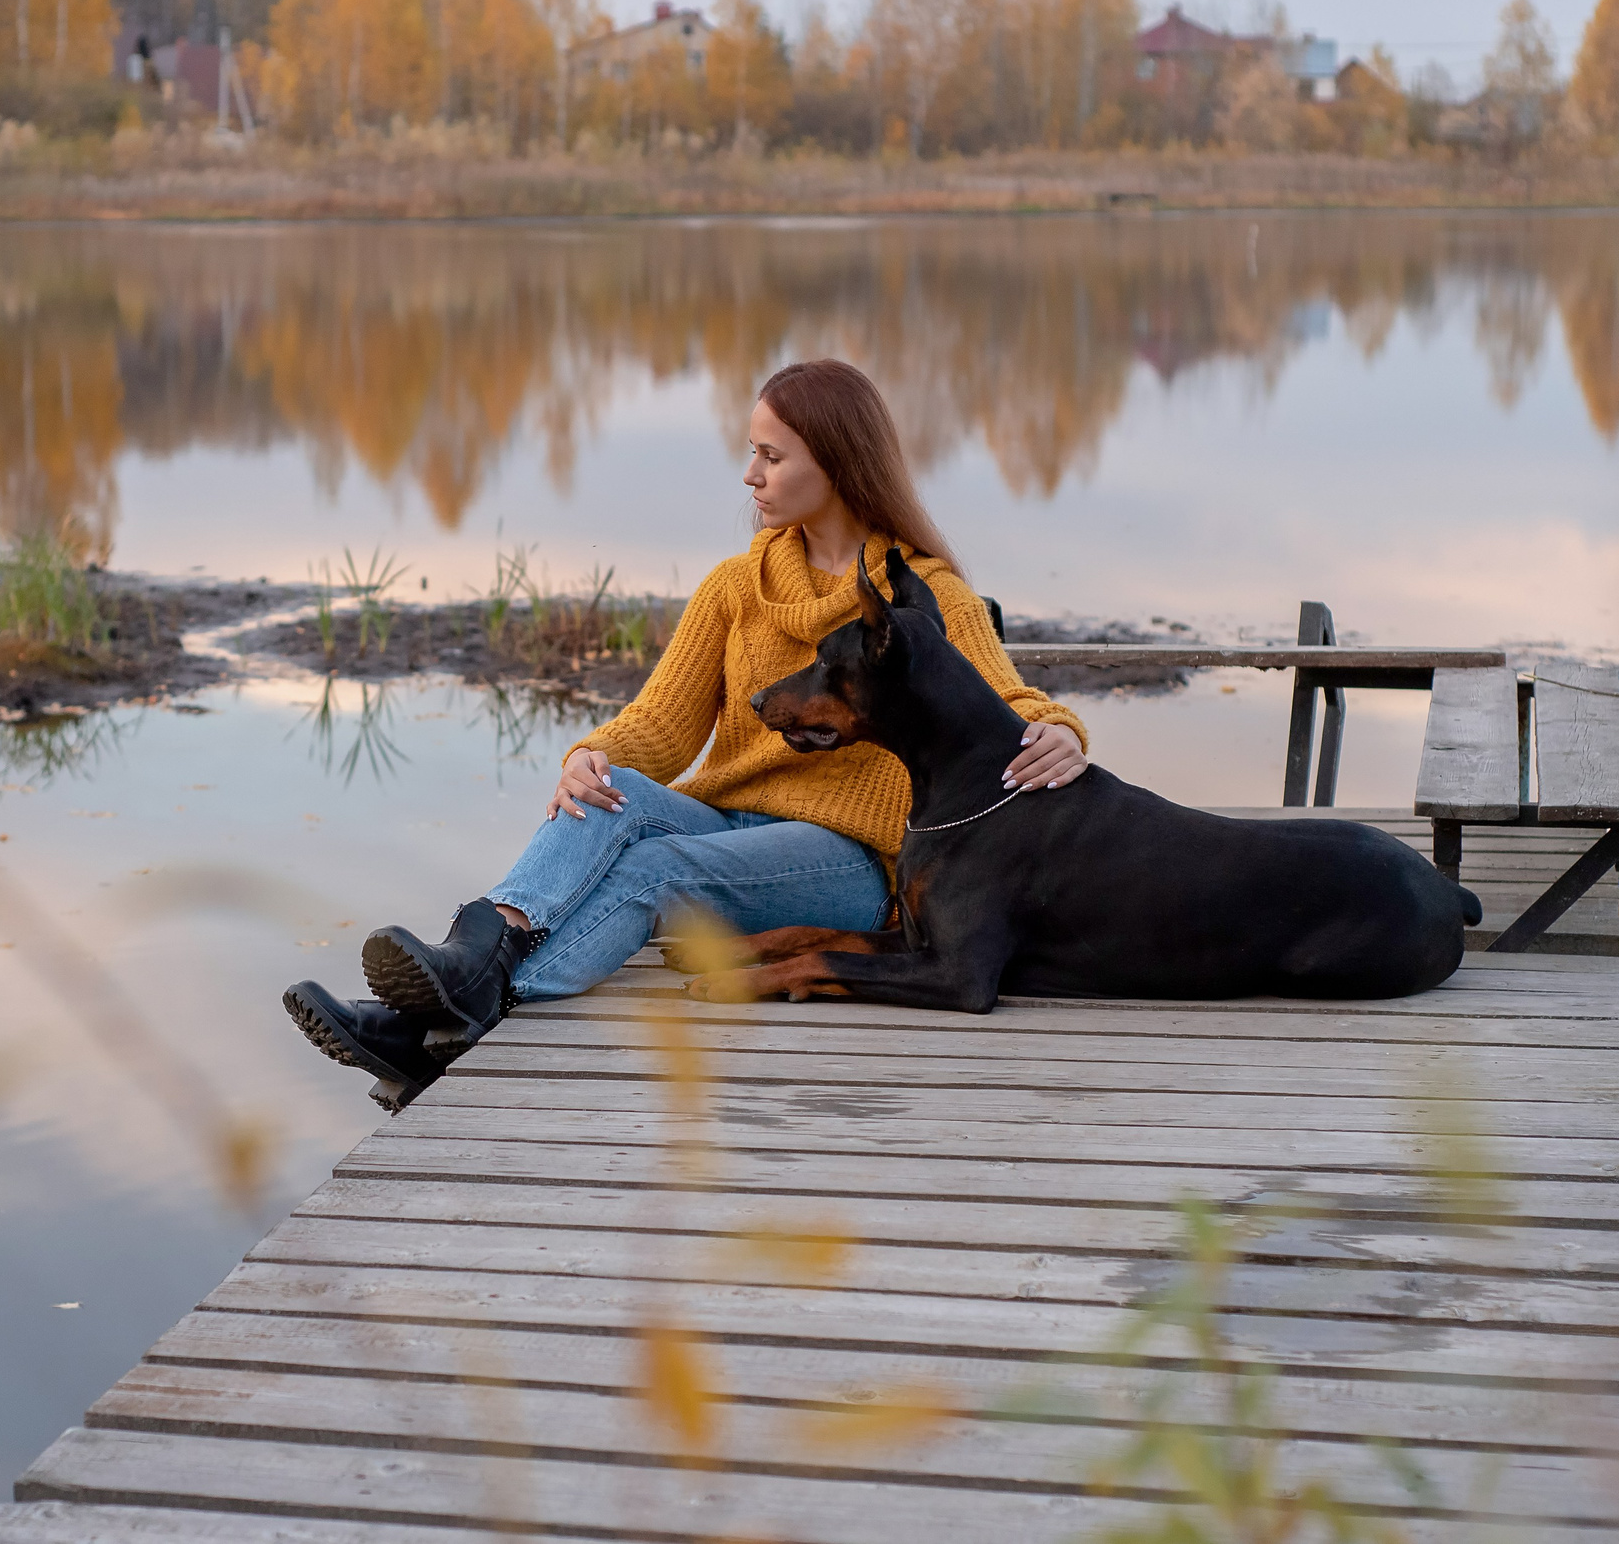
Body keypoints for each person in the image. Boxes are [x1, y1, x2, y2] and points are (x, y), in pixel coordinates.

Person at [282, 358, 1090, 1109]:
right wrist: (589, 756)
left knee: (657, 867)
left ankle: (452, 1014)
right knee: (617, 795)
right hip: (730, 824)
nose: (751, 475)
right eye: (752, 453)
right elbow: (662, 726)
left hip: (847, 863)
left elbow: (1012, 700)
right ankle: (476, 959)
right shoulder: (737, 586)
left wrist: (1061, 732)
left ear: (837, 463)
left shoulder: (922, 594)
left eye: (771, 456)